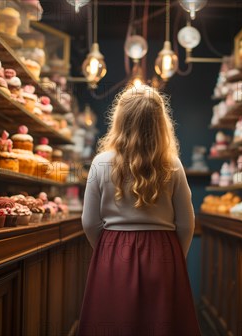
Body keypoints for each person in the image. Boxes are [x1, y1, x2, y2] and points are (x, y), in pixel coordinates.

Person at [78, 85, 200, 336]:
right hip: (164, 251)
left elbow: (89, 222)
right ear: (160, 123)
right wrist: (175, 255)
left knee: (113, 320)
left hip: (113, 251)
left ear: (120, 120)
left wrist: (106, 250)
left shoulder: (100, 163)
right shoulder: (172, 164)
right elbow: (187, 224)